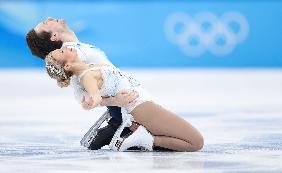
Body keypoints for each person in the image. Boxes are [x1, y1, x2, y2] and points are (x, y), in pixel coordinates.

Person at [26, 17, 172, 151]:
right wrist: (116, 101)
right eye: (46, 23)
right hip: (127, 109)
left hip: (127, 103)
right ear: (54, 36)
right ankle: (119, 129)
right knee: (174, 142)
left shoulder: (73, 49)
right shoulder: (73, 55)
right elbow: (83, 99)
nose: (49, 18)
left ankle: (114, 127)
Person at [44, 46, 204, 151]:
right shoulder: (86, 77)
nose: (66, 47)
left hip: (143, 106)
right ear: (67, 66)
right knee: (196, 142)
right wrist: (94, 101)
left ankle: (140, 136)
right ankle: (145, 139)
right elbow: (96, 96)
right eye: (63, 52)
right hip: (141, 108)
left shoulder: (90, 66)